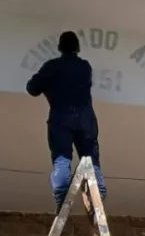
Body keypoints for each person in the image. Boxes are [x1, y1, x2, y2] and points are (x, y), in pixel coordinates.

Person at [26, 31, 107, 212]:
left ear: (60, 48)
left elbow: (32, 89)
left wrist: (45, 83)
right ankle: (98, 198)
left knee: (62, 159)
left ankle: (62, 198)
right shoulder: (85, 67)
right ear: (77, 48)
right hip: (86, 121)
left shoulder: (52, 67)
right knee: (92, 161)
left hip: (61, 119)